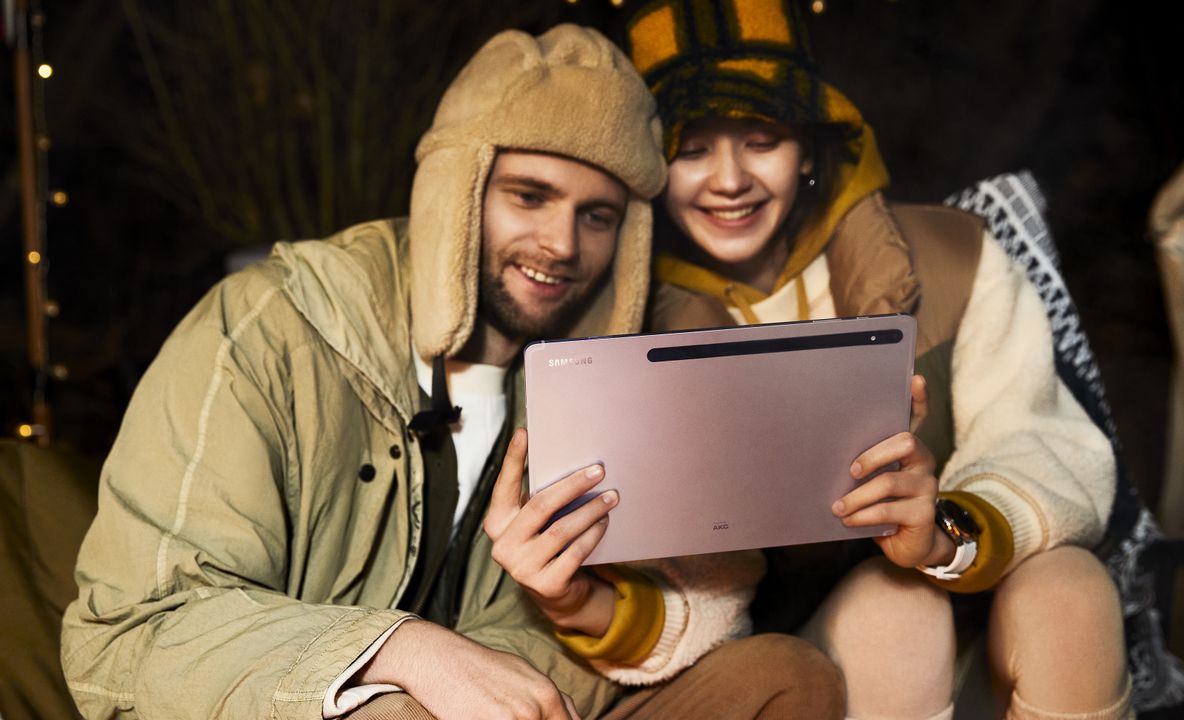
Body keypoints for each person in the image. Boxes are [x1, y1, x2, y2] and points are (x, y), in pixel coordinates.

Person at [61, 24, 843, 720]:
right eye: (529, 196)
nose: (562, 244)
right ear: (458, 192)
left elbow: (712, 605)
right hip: (306, 704)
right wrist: (406, 653)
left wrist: (565, 605)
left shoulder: (609, 371)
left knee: (784, 677)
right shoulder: (265, 330)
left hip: (532, 693)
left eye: (596, 216)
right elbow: (134, 633)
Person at [625, 1, 1133, 719]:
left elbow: (1045, 443)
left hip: (988, 632)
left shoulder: (957, 253)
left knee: (1072, 589)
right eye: (692, 147)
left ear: (809, 145)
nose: (729, 180)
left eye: (761, 138)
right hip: (817, 664)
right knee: (896, 608)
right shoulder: (627, 320)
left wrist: (946, 528)